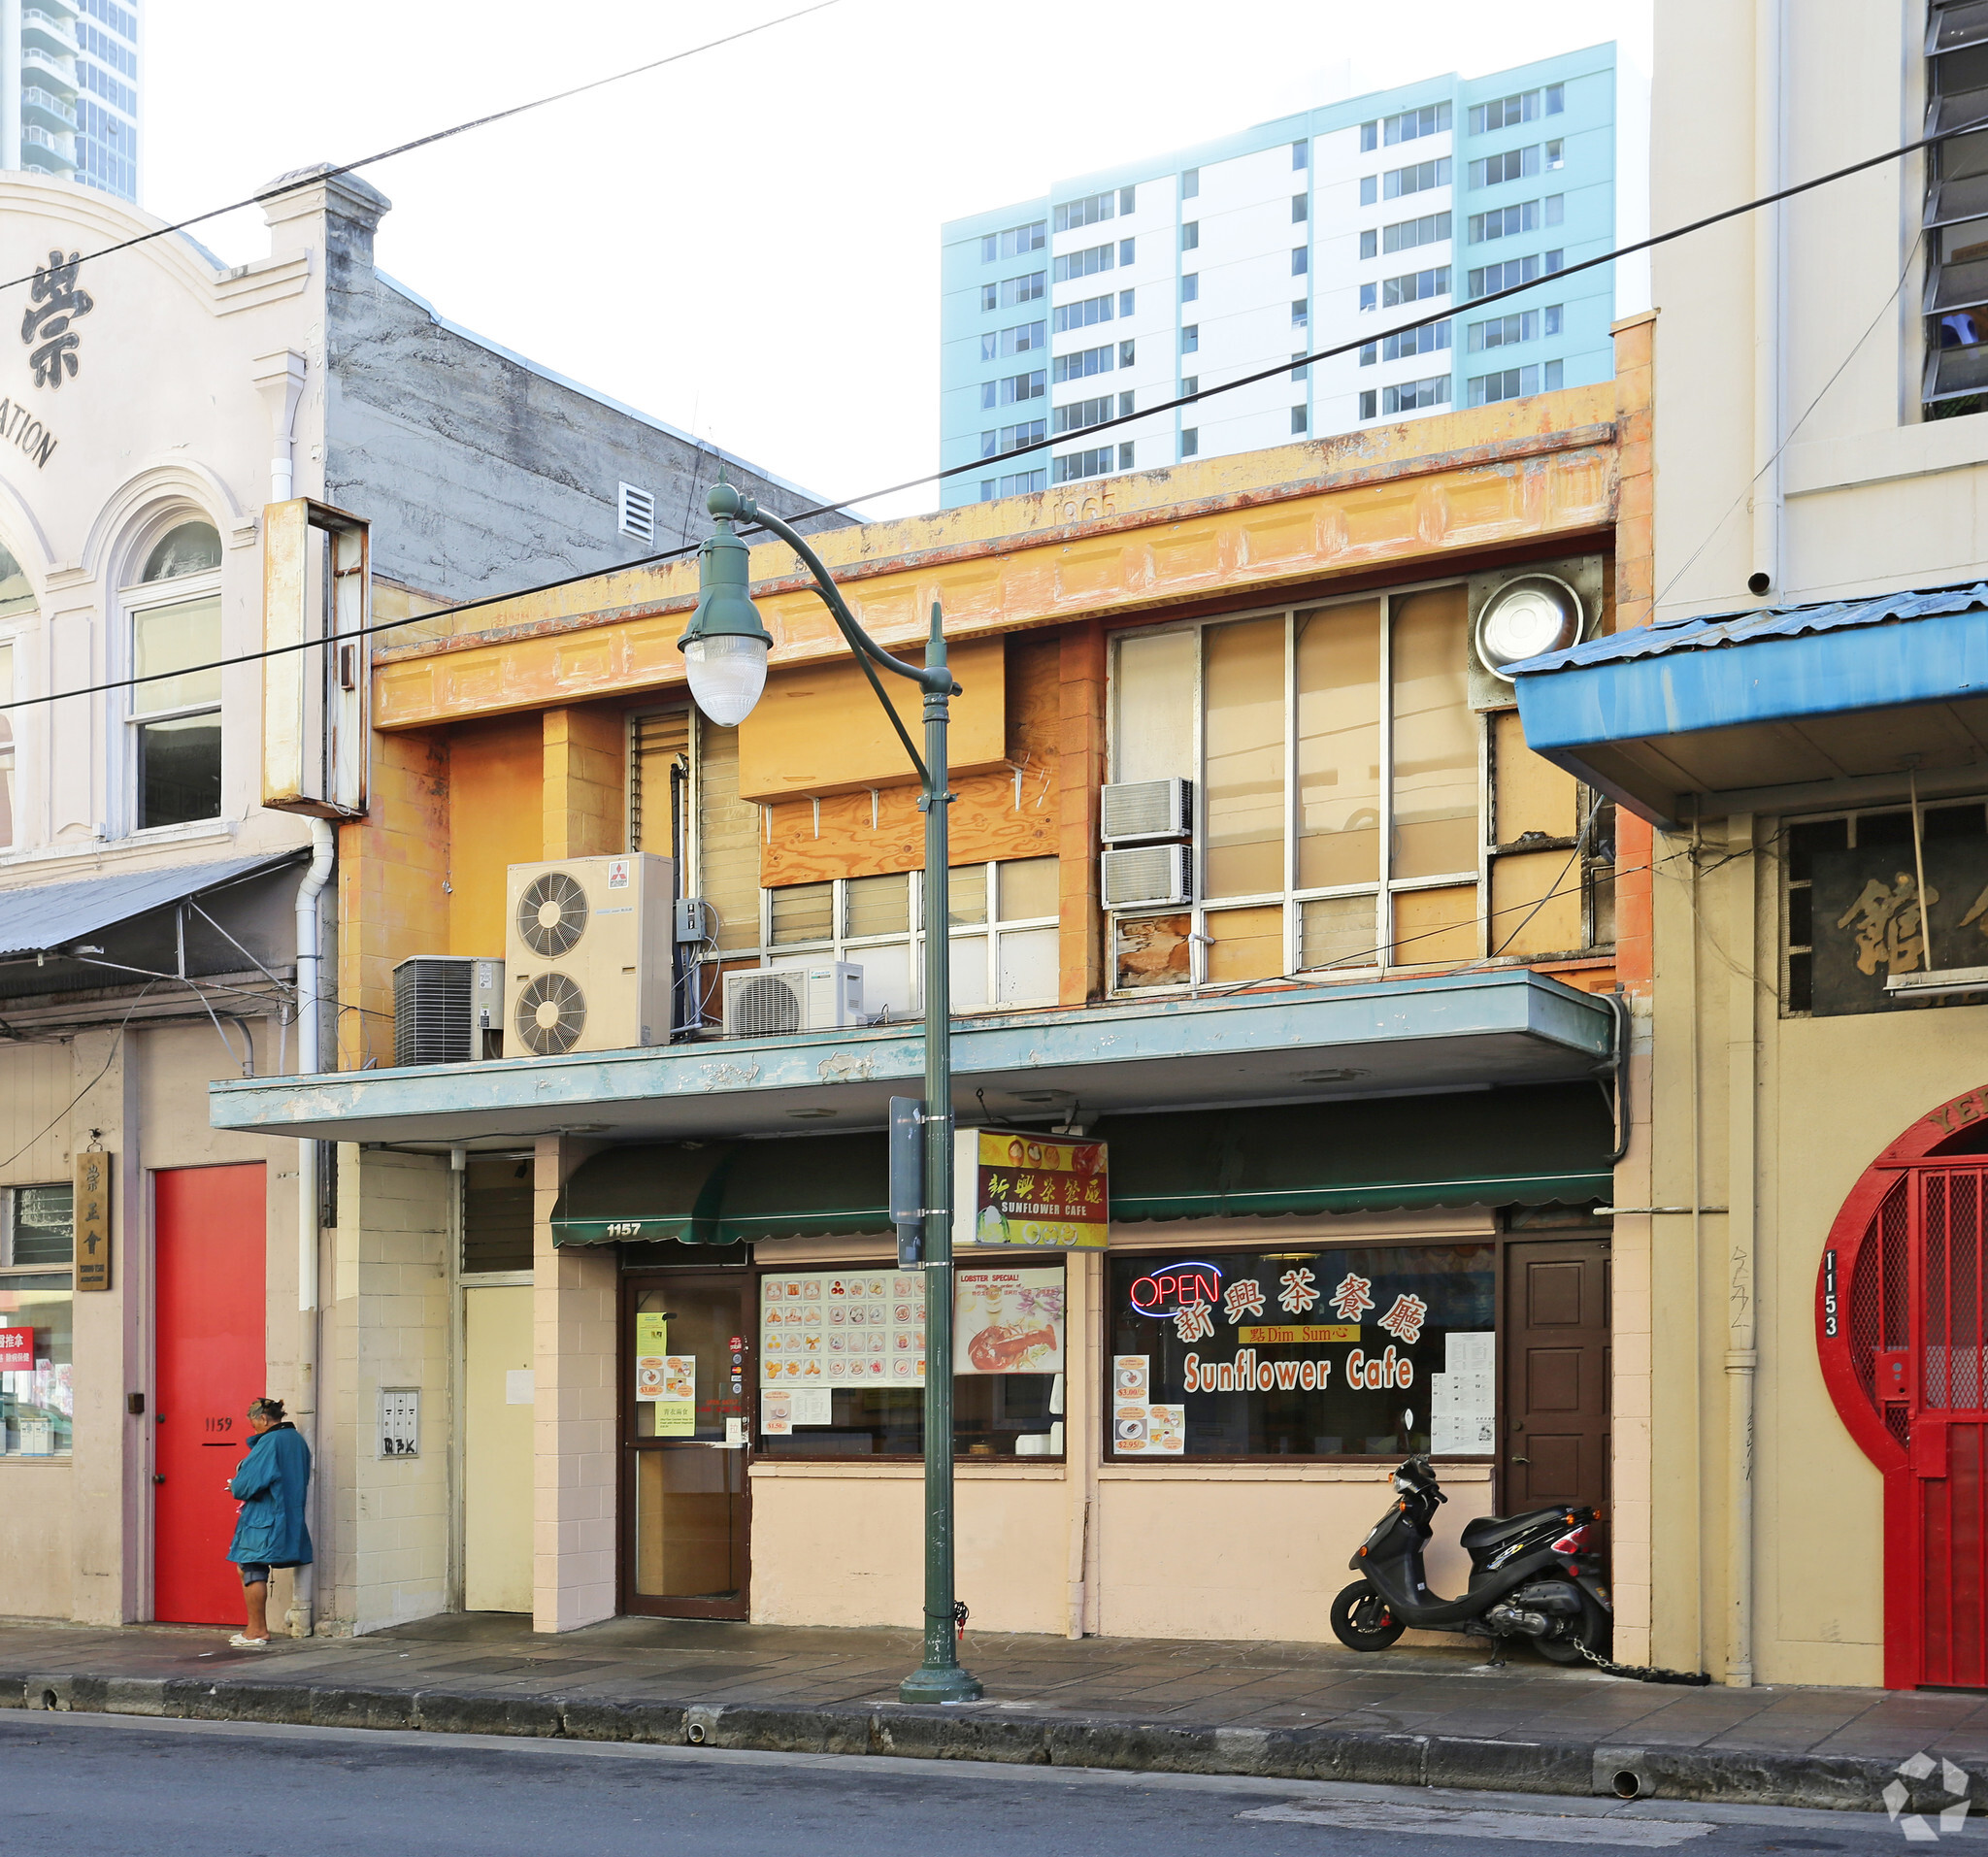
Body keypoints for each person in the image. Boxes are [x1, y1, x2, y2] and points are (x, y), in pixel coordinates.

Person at [224, 1396, 313, 1649]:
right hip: (288, 1512)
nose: (254, 1430)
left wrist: (235, 1484)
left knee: (250, 1567)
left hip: (265, 1516)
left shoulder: (270, 1442)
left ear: (263, 1418)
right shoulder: (296, 1440)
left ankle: (256, 1630)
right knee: (253, 1566)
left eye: (254, 1424)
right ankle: (256, 1630)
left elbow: (245, 1485)